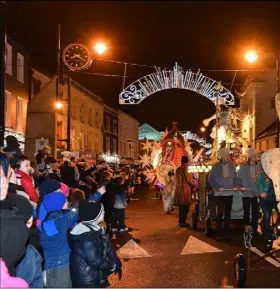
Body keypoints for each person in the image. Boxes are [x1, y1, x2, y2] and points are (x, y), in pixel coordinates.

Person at [68, 200, 122, 288]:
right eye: (102, 212)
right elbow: (94, 260)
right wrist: (112, 266)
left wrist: (116, 262)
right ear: (95, 216)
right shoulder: (86, 237)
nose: (104, 213)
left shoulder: (93, 229)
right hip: (87, 279)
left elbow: (106, 247)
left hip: (92, 275)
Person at [36, 181, 79, 288]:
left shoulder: (48, 222)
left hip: (51, 261)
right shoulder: (61, 220)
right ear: (58, 205)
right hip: (61, 262)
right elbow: (79, 211)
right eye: (65, 202)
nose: (67, 204)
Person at [208, 147, 239, 238]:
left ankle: (226, 229)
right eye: (226, 156)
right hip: (220, 193)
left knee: (228, 212)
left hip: (230, 193)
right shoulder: (216, 166)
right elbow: (210, 178)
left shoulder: (232, 165)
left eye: (228, 156)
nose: (228, 157)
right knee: (220, 212)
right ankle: (219, 229)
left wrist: (235, 186)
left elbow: (235, 178)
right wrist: (217, 187)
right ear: (222, 156)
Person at [238, 148, 262, 235]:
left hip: (256, 193)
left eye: (256, 155)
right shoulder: (243, 167)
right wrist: (241, 187)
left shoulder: (259, 166)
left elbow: (262, 179)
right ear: (250, 157)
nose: (255, 157)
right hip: (246, 193)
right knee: (247, 212)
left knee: (255, 212)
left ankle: (255, 229)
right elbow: (239, 178)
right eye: (253, 155)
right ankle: (247, 228)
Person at [256, 167, 279, 250]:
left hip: (275, 199)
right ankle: (267, 236)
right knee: (267, 215)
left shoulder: (277, 175)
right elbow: (258, 185)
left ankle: (276, 229)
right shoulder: (262, 175)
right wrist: (261, 193)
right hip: (265, 199)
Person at [173, 156, 195, 227]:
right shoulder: (186, 169)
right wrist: (193, 185)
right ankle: (182, 221)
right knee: (185, 206)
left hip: (179, 189)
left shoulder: (178, 169)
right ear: (187, 162)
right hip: (185, 189)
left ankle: (181, 221)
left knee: (181, 206)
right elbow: (189, 179)